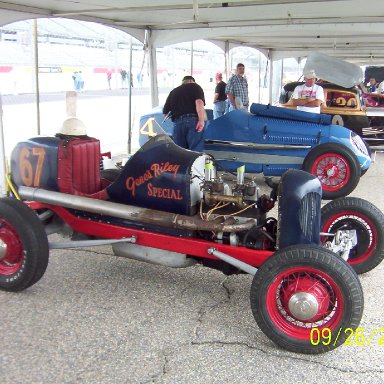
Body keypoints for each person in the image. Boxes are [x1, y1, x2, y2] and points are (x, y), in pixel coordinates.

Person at [163, 75, 205, 152]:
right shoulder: (195, 87)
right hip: (193, 122)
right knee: (195, 152)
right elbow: (199, 102)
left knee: (180, 154)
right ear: (191, 81)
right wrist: (201, 120)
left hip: (177, 124)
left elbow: (165, 113)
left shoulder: (173, 92)